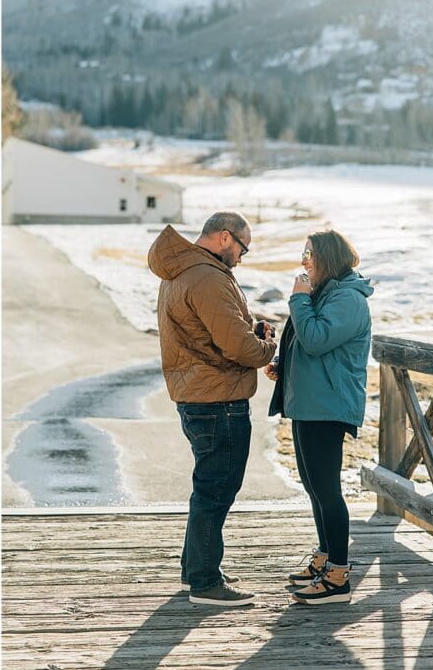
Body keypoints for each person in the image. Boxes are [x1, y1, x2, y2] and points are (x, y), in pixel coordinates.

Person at [148, 212, 277, 606]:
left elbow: (208, 333)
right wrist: (267, 346)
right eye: (243, 248)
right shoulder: (207, 277)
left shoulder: (181, 270)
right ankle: (205, 582)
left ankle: (195, 571)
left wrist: (247, 329)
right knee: (217, 488)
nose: (242, 258)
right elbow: (240, 349)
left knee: (207, 485)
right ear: (225, 238)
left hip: (197, 395)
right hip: (219, 399)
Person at [266, 229, 373, 605]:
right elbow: (310, 345)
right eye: (303, 252)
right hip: (310, 401)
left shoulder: (348, 298)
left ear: (328, 257)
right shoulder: (329, 291)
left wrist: (298, 298)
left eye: (309, 253)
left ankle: (338, 578)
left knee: (327, 489)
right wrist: (284, 362)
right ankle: (326, 558)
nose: (303, 259)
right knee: (314, 486)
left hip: (327, 405)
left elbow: (315, 338)